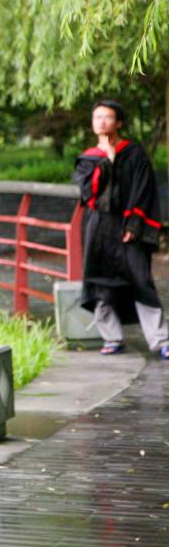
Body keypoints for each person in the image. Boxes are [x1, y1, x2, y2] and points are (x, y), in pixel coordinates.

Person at [73, 99, 169, 359]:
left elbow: (143, 190)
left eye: (107, 117)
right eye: (97, 117)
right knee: (99, 282)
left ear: (119, 123)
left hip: (128, 226)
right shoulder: (88, 159)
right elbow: (89, 195)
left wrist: (134, 224)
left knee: (141, 280)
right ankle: (112, 337)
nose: (101, 122)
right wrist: (106, 161)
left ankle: (161, 340)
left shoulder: (134, 154)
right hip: (99, 227)